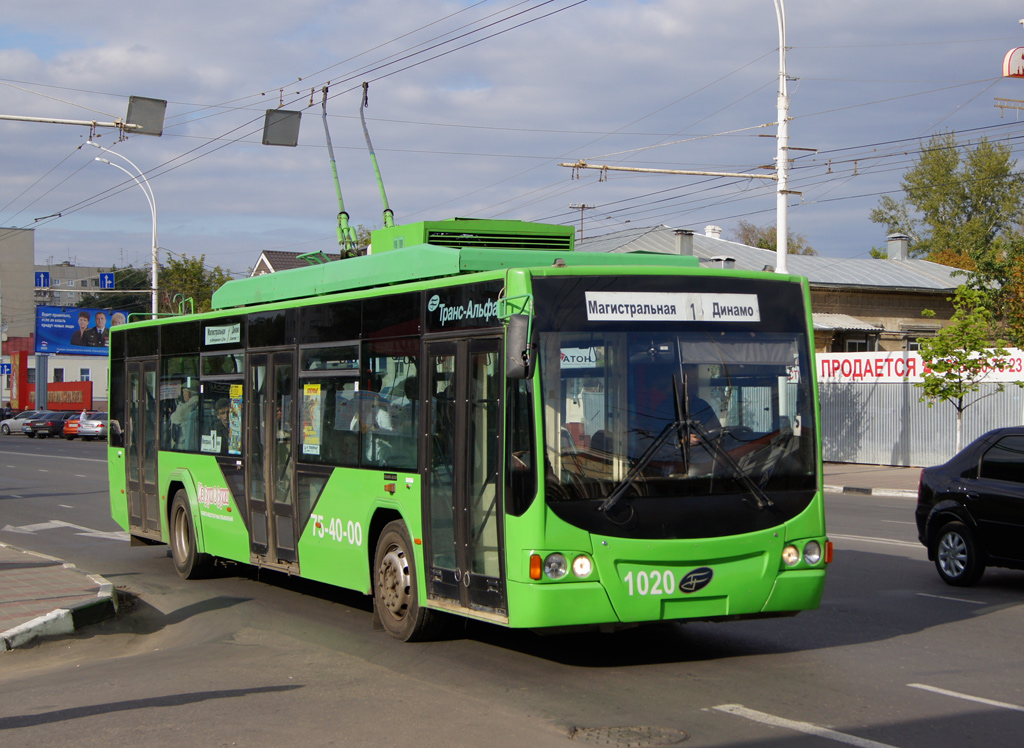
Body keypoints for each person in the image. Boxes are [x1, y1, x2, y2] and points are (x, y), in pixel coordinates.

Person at [170, 383, 199, 450]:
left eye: (184, 393)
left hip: (184, 446)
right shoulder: (203, 403)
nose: (183, 395)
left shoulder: (186, 407)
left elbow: (174, 418)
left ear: (189, 393)